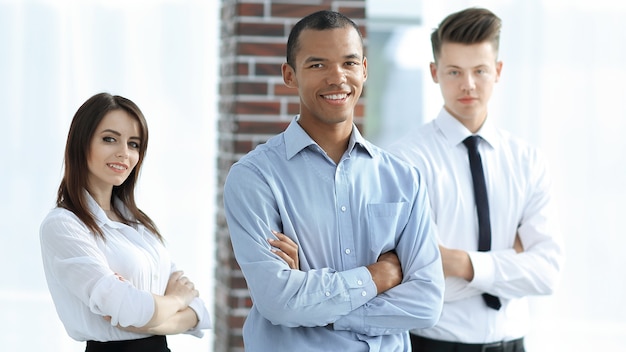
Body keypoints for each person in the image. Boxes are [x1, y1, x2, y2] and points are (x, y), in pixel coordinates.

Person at [223, 10, 445, 352]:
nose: (337, 77)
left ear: (365, 70)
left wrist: (316, 304)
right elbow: (277, 301)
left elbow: (427, 302)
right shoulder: (254, 178)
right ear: (289, 74)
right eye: (317, 65)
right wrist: (377, 277)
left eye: (349, 63)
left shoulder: (403, 179)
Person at [388, 7, 565, 352]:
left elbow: (547, 272)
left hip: (513, 344)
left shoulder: (527, 161)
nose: (468, 84)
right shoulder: (404, 162)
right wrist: (511, 260)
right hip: (434, 344)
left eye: (480, 71)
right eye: (454, 71)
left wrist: (461, 263)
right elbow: (418, 279)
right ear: (434, 72)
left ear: (497, 71)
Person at [40, 93, 211, 351]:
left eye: (133, 144)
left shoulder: (138, 224)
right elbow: (132, 308)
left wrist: (147, 318)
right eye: (110, 139)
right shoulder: (63, 225)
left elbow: (198, 310)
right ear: (81, 143)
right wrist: (176, 300)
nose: (124, 153)